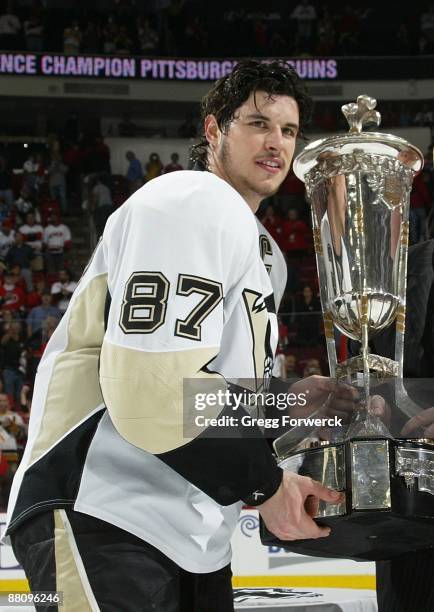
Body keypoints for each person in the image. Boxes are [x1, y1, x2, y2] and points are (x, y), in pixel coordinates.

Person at [5, 59, 349, 611]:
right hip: (100, 507)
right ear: (214, 130)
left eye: (288, 130)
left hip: (196, 534)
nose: (276, 143)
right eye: (258, 123)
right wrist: (263, 484)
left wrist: (286, 403)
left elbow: (205, 392)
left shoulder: (267, 256)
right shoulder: (190, 199)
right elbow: (154, 393)